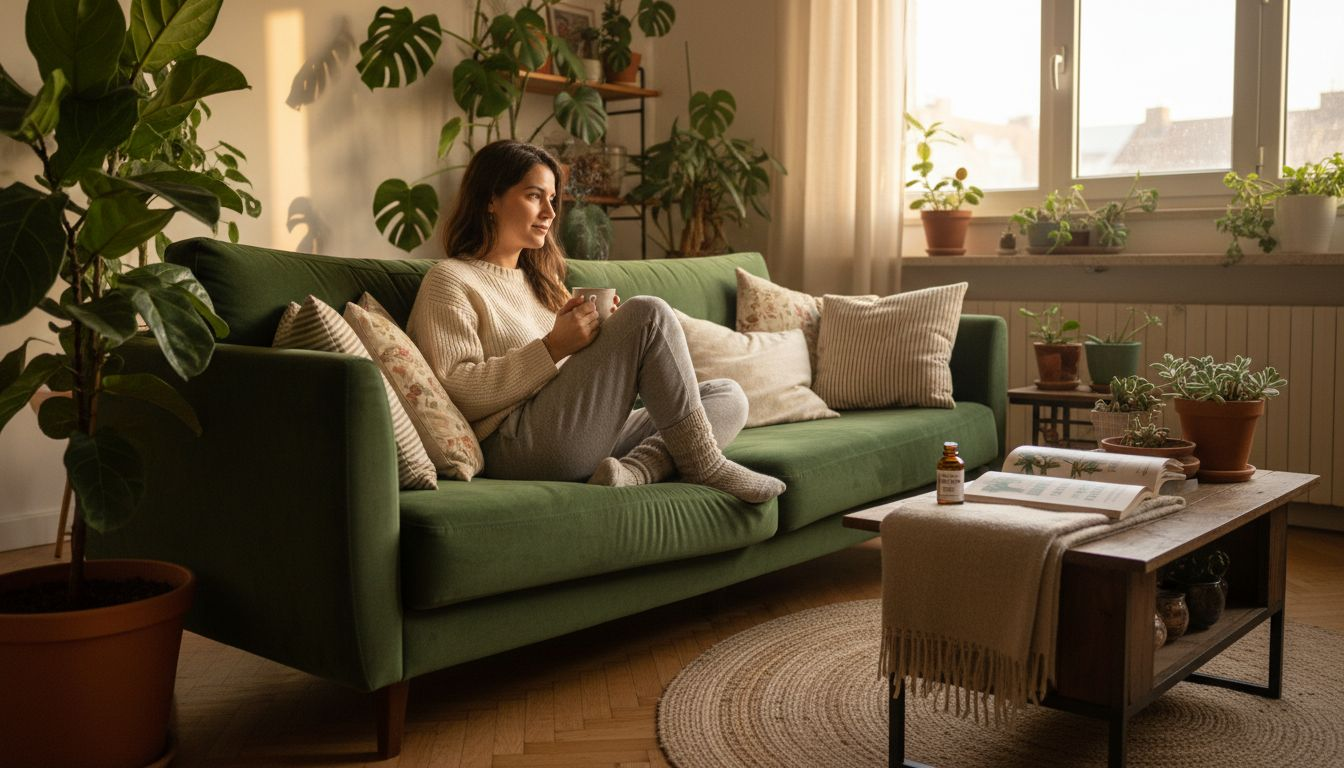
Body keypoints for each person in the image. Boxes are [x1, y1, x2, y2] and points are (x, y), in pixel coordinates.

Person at [406, 140, 785, 503]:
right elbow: (456, 389)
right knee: (648, 312)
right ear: (490, 198)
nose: (550, 213)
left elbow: (573, 377)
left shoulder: (541, 280)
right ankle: (706, 465)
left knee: (727, 396)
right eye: (534, 196)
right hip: (519, 445)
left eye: (552, 200)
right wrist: (554, 346)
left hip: (582, 432)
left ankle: (635, 471)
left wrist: (603, 339)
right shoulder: (451, 280)